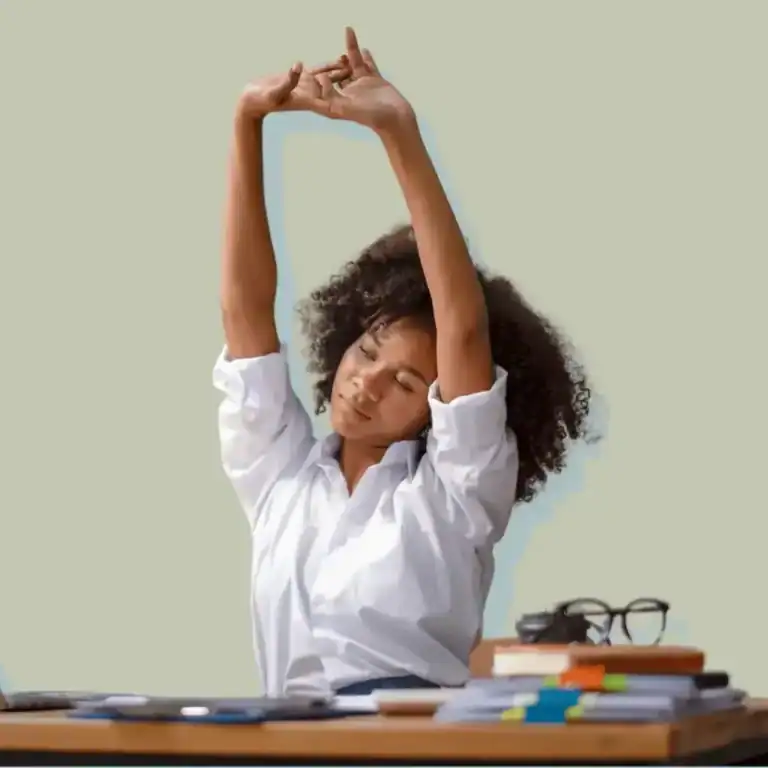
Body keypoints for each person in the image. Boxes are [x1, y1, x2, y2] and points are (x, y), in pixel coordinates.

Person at [213, 28, 592, 697]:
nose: (366, 383)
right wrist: (248, 119)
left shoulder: (455, 493)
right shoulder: (281, 477)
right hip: (282, 739)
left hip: (410, 743)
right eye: (366, 353)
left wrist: (398, 131)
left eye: (407, 382)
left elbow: (465, 327)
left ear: (436, 407)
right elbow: (245, 312)